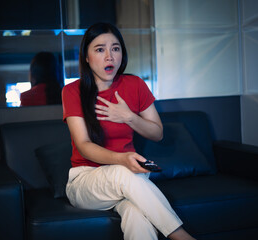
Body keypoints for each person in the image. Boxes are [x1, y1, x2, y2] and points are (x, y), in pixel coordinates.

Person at [62, 22, 196, 240]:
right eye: (99, 49)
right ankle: (181, 236)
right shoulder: (72, 91)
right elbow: (84, 146)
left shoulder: (134, 85)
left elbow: (157, 133)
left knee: (137, 216)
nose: (109, 56)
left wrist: (129, 117)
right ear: (86, 57)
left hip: (130, 178)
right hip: (86, 181)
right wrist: (121, 159)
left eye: (115, 48)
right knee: (124, 172)